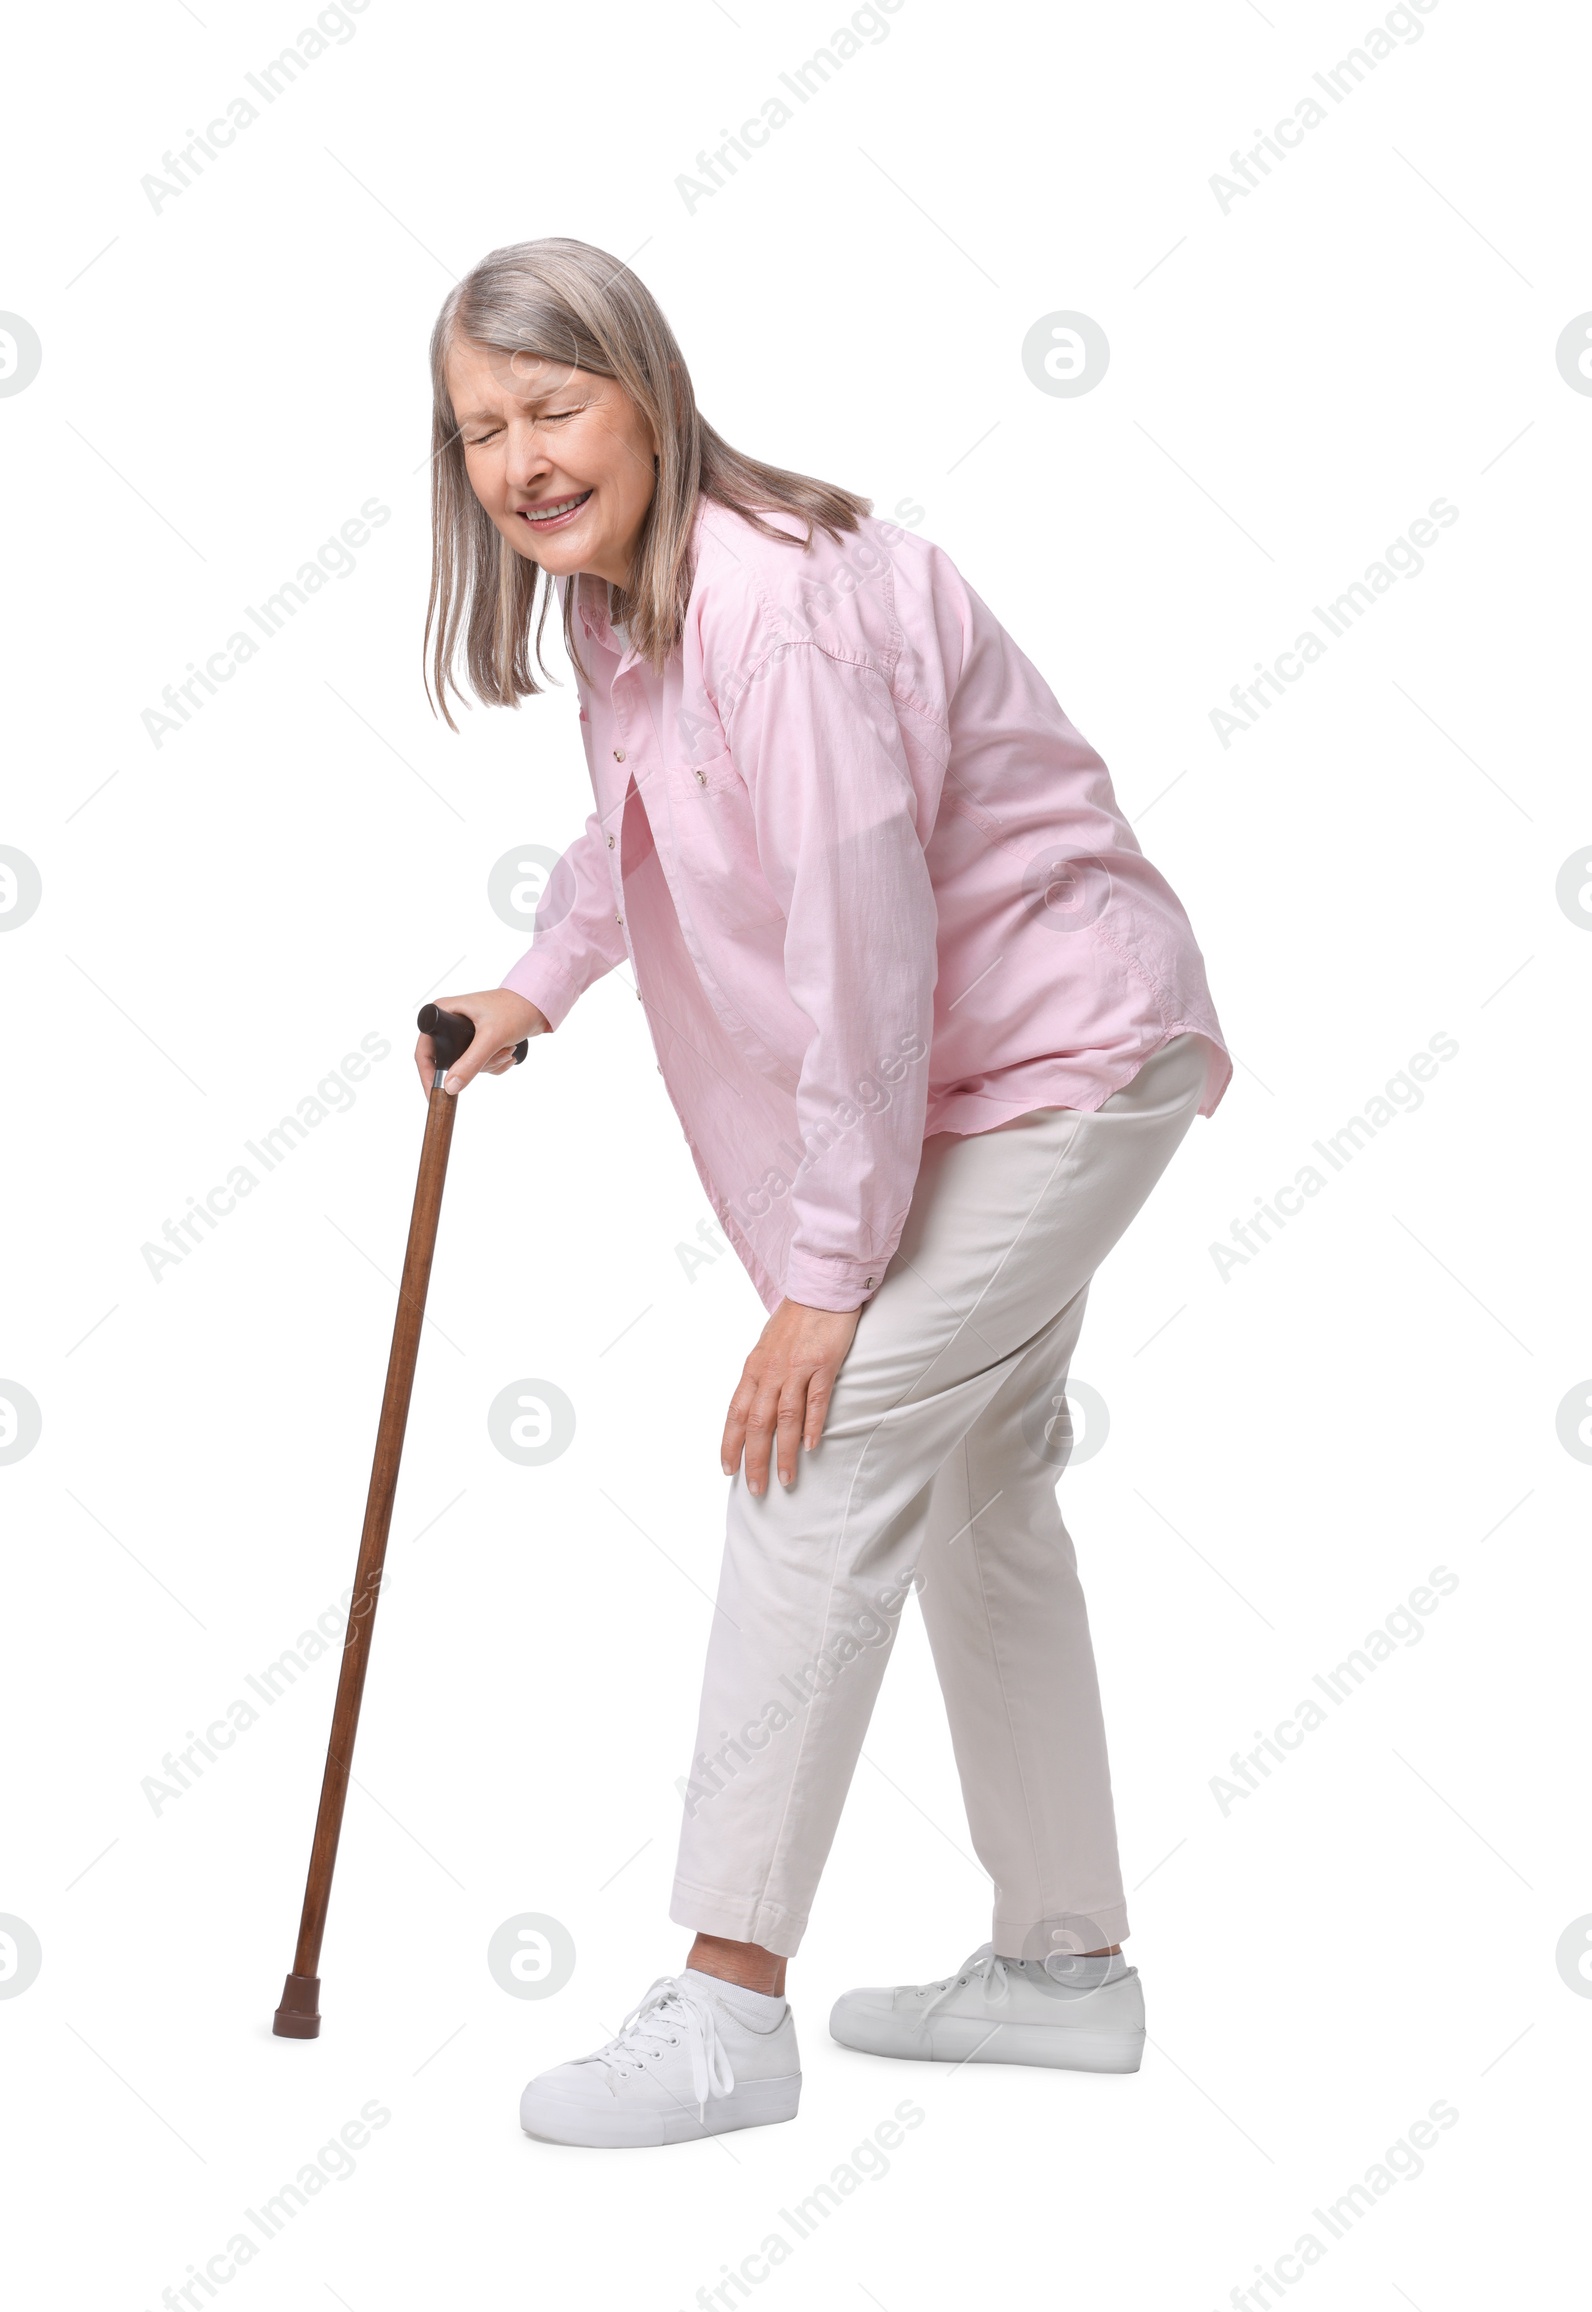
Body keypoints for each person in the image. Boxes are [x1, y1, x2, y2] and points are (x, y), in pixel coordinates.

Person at [415, 238, 1232, 2150]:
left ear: (647, 388)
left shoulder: (768, 606)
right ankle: (1061, 1973)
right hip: (980, 1081)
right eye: (480, 433)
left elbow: (867, 948)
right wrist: (528, 987)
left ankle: (726, 2006)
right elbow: (648, 845)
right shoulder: (629, 607)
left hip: (1059, 1059)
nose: (524, 459)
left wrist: (827, 1277)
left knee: (818, 1445)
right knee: (980, 1494)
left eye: (555, 407)